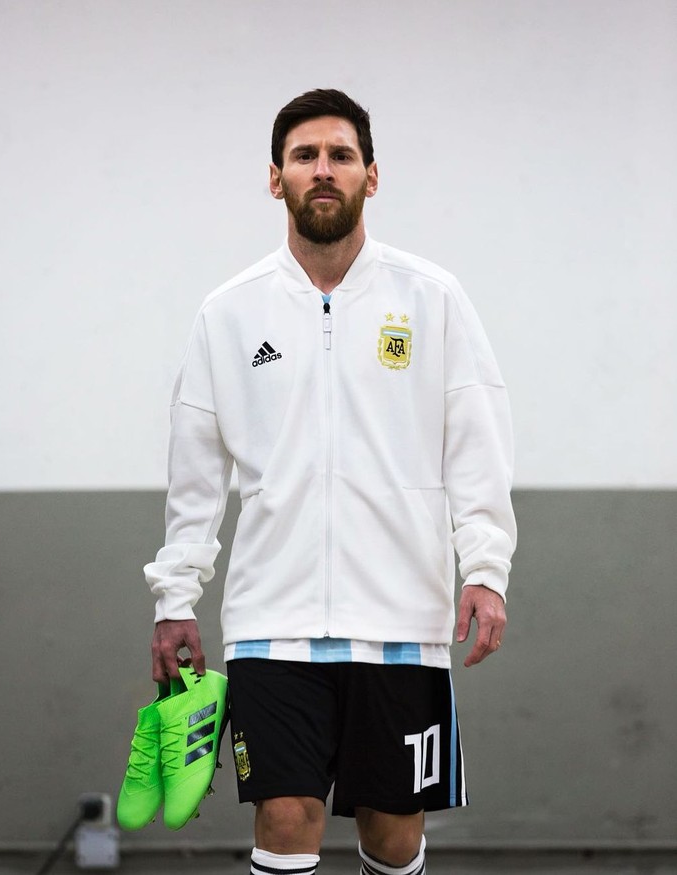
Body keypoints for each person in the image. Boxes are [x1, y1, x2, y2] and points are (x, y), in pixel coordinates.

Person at [145, 88, 516, 875]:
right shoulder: (229, 312)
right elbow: (196, 472)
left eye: (341, 155)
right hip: (271, 621)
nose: (323, 169)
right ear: (274, 177)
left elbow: (477, 444)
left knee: (393, 834)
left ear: (370, 176)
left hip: (401, 621)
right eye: (304, 155)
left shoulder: (432, 298)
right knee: (285, 816)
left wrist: (485, 568)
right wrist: (175, 597)